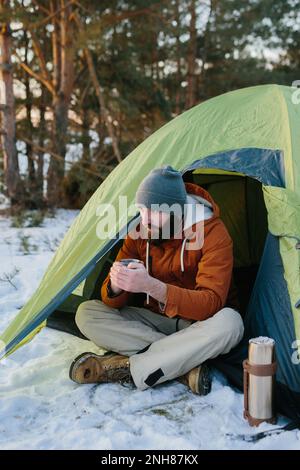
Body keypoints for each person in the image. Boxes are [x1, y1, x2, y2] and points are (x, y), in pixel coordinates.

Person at [69, 165, 244, 395]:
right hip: (155, 321)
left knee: (231, 324)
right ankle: (181, 362)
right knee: (87, 313)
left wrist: (152, 286)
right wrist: (116, 286)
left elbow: (210, 304)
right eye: (142, 209)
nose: (145, 219)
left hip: (200, 325)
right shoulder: (141, 230)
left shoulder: (213, 233)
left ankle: (129, 366)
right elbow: (111, 302)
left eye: (155, 211)